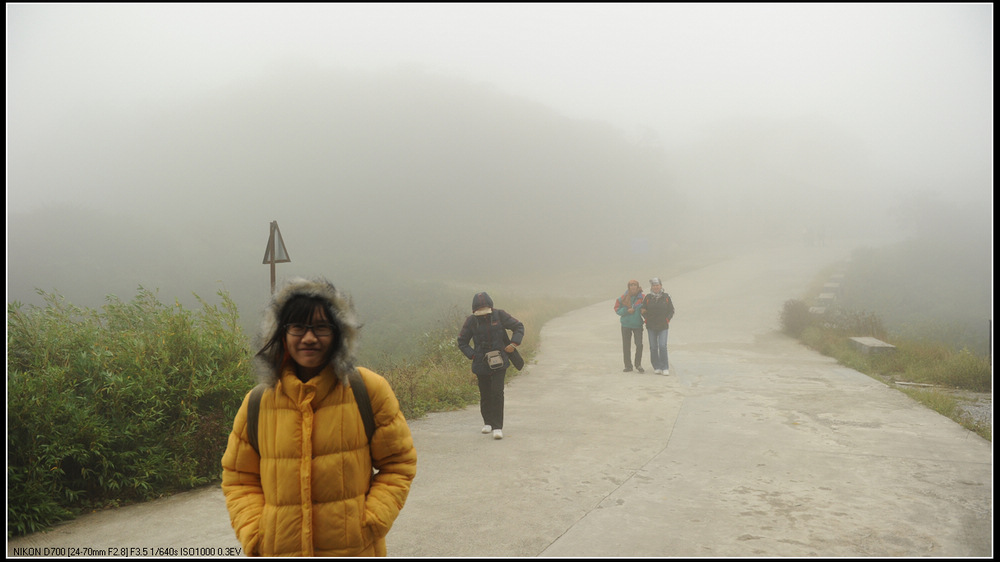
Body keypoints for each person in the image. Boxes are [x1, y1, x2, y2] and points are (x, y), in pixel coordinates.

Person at [221, 277, 417, 556]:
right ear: (281, 333)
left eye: (321, 327)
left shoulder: (367, 390)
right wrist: (255, 533)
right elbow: (239, 477)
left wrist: (370, 522)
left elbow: (399, 463)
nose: (309, 338)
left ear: (338, 333)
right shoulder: (258, 402)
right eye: (298, 327)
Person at [457, 292, 524, 440]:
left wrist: (513, 344)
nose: (483, 313)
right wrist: (473, 355)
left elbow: (518, 326)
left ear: (491, 307)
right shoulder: (471, 321)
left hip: (500, 361)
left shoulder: (500, 315)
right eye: (479, 310)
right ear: (474, 310)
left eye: (485, 308)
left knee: (497, 392)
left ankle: (497, 427)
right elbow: (462, 341)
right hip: (481, 363)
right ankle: (487, 423)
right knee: (485, 393)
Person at [641, 277, 675, 375]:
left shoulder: (666, 297)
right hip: (651, 325)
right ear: (651, 287)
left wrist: (667, 319)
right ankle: (656, 366)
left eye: (657, 285)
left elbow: (671, 310)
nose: (656, 287)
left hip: (663, 325)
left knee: (662, 346)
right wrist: (646, 319)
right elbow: (643, 310)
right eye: (654, 285)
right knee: (653, 347)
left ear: (661, 286)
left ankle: (665, 367)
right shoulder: (647, 298)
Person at [614, 279, 646, 373]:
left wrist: (644, 312)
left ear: (637, 286)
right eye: (631, 285)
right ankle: (628, 366)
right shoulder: (623, 298)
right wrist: (626, 311)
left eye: (634, 285)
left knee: (639, 345)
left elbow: (647, 308)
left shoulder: (643, 298)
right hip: (626, 324)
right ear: (628, 287)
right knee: (626, 346)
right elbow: (617, 309)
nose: (633, 286)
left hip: (637, 324)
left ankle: (638, 364)